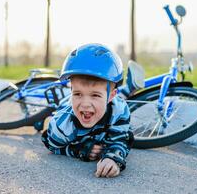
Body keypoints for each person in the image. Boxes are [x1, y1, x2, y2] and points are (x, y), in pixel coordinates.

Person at [41, 43, 134, 178]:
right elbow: (50, 144)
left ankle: (126, 90)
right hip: (64, 109)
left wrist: (113, 158)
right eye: (77, 94)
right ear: (71, 91)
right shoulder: (62, 126)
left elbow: (121, 139)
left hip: (112, 103)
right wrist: (78, 150)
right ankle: (125, 90)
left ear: (111, 96)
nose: (85, 105)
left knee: (125, 124)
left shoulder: (119, 110)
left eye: (95, 95)